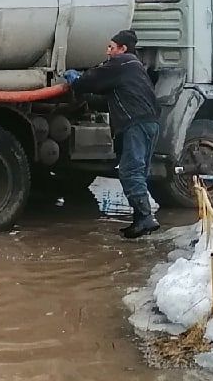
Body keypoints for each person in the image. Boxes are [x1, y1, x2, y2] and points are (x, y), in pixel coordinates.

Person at [63, 29, 161, 238]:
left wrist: (75, 80)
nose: (107, 52)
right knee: (139, 172)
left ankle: (146, 217)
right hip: (149, 123)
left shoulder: (121, 63)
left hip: (136, 124)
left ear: (123, 49)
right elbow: (112, 97)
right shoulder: (135, 67)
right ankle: (139, 222)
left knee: (130, 171)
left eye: (111, 47)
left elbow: (90, 79)